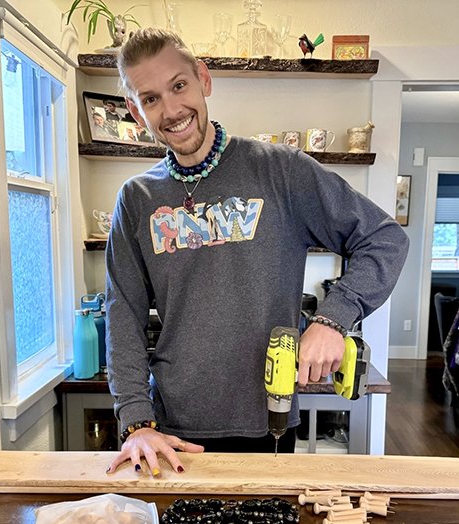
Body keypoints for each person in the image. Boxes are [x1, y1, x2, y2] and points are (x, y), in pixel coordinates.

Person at [104, 28, 409, 476]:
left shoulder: (280, 171)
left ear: (203, 80)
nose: (170, 110)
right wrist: (136, 422)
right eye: (150, 99)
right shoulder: (137, 198)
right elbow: (122, 313)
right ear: (135, 110)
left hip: (267, 420)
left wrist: (332, 319)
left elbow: (385, 238)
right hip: (171, 432)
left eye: (179, 86)